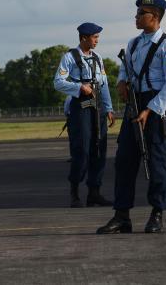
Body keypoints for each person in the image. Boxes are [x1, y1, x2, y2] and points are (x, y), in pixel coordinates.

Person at [97, 0, 166, 234]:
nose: (136, 17)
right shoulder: (133, 43)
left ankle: (157, 213)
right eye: (137, 13)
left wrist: (150, 109)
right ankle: (122, 215)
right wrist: (121, 82)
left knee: (156, 161)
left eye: (141, 13)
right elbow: (125, 69)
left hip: (156, 106)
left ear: (155, 17)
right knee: (125, 160)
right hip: (134, 104)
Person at [54, 22, 116, 208]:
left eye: (98, 37)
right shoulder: (70, 57)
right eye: (94, 37)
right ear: (83, 38)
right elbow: (58, 82)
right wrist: (79, 87)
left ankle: (94, 193)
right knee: (82, 150)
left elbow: (103, 84)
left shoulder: (97, 58)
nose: (97, 41)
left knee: (99, 149)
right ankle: (74, 192)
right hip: (80, 106)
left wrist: (109, 108)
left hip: (98, 107)